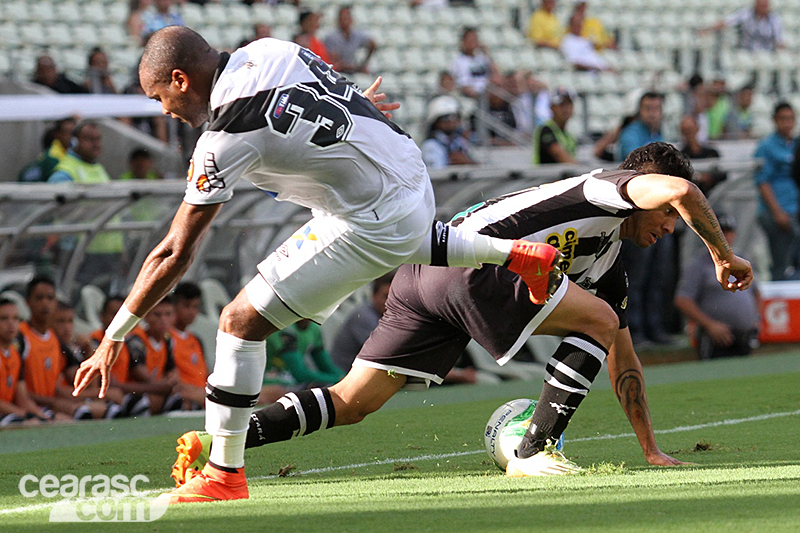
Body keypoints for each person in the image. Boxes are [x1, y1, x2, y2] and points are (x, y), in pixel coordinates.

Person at [73, 27, 559, 503]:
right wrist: (356, 112)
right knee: (406, 237)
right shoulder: (266, 49)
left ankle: (223, 474)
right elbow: (331, 95)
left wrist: (114, 335)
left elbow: (174, 252)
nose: (165, 111)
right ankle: (515, 255)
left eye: (160, 97)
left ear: (180, 79)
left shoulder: (224, 135)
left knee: (239, 323)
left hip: (372, 216)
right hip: (405, 170)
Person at [168, 142, 753, 490]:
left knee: (353, 402)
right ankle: (532, 450)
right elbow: (679, 189)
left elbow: (624, 357)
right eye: (669, 218)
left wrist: (650, 446)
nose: (668, 228)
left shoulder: (608, 263)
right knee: (597, 318)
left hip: (425, 270)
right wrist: (723, 254)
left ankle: (221, 444)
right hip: (473, 264)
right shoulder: (609, 188)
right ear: (644, 185)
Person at [674, 214, 759, 360]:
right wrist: (710, 325)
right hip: (715, 337)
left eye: (728, 232)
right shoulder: (698, 263)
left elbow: (756, 292)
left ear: (734, 234)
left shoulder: (741, 259)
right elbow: (682, 300)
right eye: (720, 233)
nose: (724, 237)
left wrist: (756, 319)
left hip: (744, 334)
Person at [754, 102, 799, 280]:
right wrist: (777, 211)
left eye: (790, 119)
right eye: (783, 119)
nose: (787, 123)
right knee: (781, 260)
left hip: (795, 209)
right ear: (774, 120)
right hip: (779, 210)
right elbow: (763, 181)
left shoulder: (796, 145)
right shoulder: (766, 147)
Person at [0, 298, 51, 426]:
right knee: (30, 423)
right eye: (4, 319)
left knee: (58, 419)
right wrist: (25, 415)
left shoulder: (15, 355)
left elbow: (22, 398)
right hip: (7, 414)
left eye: (15, 318)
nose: (11, 324)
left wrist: (42, 417)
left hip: (10, 413)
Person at [330, 271, 395, 371]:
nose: (389, 302)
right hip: (343, 375)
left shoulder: (387, 316)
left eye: (394, 298)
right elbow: (386, 352)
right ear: (374, 295)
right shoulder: (364, 316)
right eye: (385, 296)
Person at [171, 282, 208, 408]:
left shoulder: (196, 339)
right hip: (185, 393)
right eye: (186, 306)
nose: (191, 312)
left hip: (202, 392)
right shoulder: (167, 338)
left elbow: (205, 374)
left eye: (195, 307)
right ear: (174, 306)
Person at [700, 0, 783, 51]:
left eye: (765, 6)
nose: (764, 8)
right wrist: (707, 29)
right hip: (747, 50)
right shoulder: (746, 14)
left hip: (767, 52)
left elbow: (779, 39)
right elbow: (727, 22)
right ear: (756, 5)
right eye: (761, 6)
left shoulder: (774, 20)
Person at [421, 96, 477, 169]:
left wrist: (468, 162)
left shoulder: (461, 142)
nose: (451, 121)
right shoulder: (431, 145)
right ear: (435, 121)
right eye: (445, 118)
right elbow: (436, 174)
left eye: (455, 117)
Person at [17, 118, 76, 183]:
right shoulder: (52, 156)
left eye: (75, 133)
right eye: (69, 133)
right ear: (58, 134)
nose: (72, 137)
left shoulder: (70, 150)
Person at [679, 115, 726, 195]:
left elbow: (722, 175)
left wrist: (710, 178)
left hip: (712, 197)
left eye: (691, 129)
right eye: (686, 130)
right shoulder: (679, 156)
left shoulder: (712, 153)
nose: (689, 133)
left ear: (697, 129)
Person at [324, 5, 376, 75]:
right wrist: (356, 67)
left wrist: (364, 63)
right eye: (342, 18)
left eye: (347, 18)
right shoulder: (332, 37)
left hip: (352, 69)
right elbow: (336, 62)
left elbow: (372, 44)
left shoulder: (356, 34)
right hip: (338, 71)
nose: (345, 21)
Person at [449, 27, 498, 99]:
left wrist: (487, 54)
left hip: (487, 92)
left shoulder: (482, 58)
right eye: (470, 39)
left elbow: (496, 74)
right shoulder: (458, 61)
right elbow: (460, 84)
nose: (473, 42)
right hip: (470, 95)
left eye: (475, 39)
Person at [532, 87, 577, 165]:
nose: (566, 109)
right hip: (544, 176)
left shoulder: (568, 135)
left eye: (569, 104)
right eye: (561, 105)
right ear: (551, 107)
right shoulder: (546, 129)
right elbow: (561, 157)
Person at [618, 92, 664, 160]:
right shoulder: (630, 133)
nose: (652, 113)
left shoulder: (659, 132)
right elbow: (635, 159)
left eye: (656, 108)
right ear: (639, 110)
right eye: (648, 108)